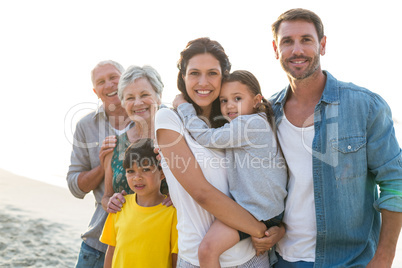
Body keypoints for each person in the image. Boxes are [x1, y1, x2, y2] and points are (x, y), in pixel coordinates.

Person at [265, 8, 402, 267]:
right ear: (275, 49)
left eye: (306, 39)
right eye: (287, 41)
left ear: (322, 45)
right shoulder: (267, 115)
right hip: (281, 259)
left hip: (349, 261)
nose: (297, 50)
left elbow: (396, 180)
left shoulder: (365, 106)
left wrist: (384, 257)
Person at [155, 37, 285, 267]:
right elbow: (201, 192)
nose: (203, 82)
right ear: (182, 76)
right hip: (200, 257)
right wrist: (260, 229)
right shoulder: (169, 118)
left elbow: (268, 180)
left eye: (212, 73)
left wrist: (278, 229)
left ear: (223, 76)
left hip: (253, 256)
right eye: (194, 73)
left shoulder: (232, 120)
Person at [67, 60, 131, 268]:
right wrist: (103, 166)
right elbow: (75, 186)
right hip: (99, 242)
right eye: (101, 82)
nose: (109, 84)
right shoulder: (86, 126)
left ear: (126, 79)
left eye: (113, 77)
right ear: (96, 91)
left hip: (147, 237)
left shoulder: (152, 115)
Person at [100, 138, 178, 268]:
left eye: (146, 169)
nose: (137, 177)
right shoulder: (119, 206)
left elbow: (175, 259)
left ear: (162, 173)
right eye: (131, 171)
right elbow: (111, 251)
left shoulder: (172, 212)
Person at [100, 65, 167, 214]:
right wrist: (111, 203)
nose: (138, 103)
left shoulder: (175, 139)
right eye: (130, 98)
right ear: (123, 103)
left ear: (159, 97)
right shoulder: (114, 146)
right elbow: (106, 197)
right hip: (129, 233)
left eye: (144, 95)